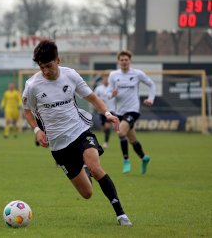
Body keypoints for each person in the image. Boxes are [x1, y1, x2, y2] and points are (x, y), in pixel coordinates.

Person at [23, 39, 132, 226]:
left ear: (57, 60)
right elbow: (27, 111)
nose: (45, 71)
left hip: (79, 132)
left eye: (48, 66)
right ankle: (84, 168)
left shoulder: (71, 76)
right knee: (87, 193)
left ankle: (121, 214)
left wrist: (107, 113)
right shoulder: (33, 85)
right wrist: (37, 130)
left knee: (96, 168)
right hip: (58, 145)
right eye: (42, 68)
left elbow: (92, 97)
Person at [108, 50, 155, 174]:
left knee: (120, 133)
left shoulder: (137, 74)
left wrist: (151, 98)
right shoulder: (113, 75)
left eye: (126, 60)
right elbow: (108, 93)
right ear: (118, 61)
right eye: (122, 60)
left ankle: (126, 160)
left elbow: (151, 84)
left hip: (133, 110)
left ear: (130, 61)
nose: (124, 62)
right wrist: (111, 95)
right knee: (132, 140)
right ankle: (144, 158)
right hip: (119, 112)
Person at [94, 73, 116, 149]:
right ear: (102, 80)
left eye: (107, 78)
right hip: (101, 111)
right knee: (104, 128)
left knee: (107, 125)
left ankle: (106, 143)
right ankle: (107, 132)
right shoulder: (98, 88)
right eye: (104, 78)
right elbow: (95, 98)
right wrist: (96, 107)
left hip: (110, 110)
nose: (106, 80)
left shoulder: (112, 88)